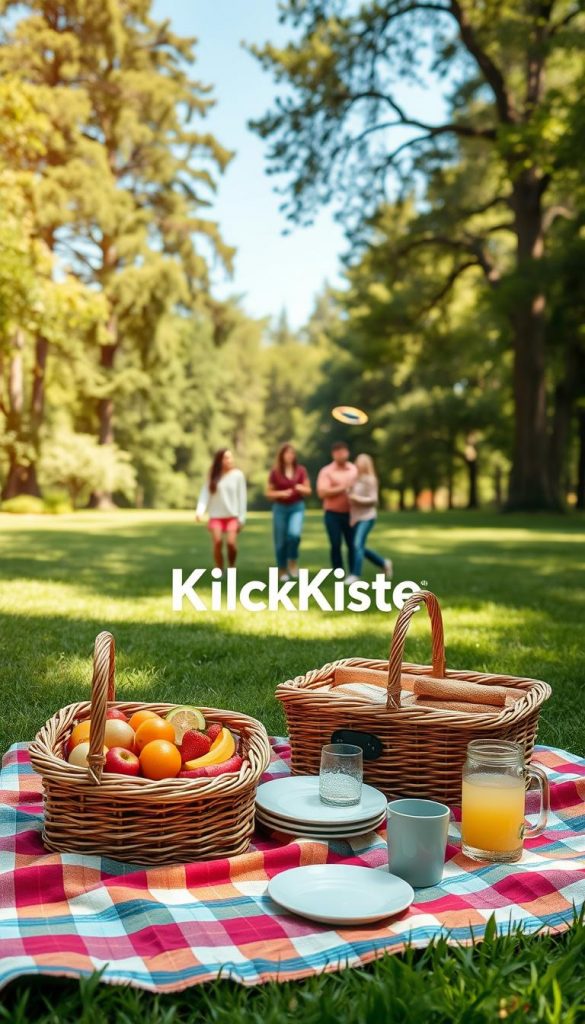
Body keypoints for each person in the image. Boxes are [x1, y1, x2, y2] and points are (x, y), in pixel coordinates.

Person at [266, 443, 312, 582]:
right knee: (280, 541)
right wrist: (281, 493)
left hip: (296, 507)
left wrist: (300, 488)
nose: (290, 455)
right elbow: (269, 493)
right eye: (287, 453)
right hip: (280, 508)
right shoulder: (275, 472)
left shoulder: (301, 470)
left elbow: (308, 490)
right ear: (282, 455)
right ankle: (282, 569)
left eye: (292, 453)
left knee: (294, 535)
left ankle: (292, 560)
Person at [195, 448, 246, 569]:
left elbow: (242, 497)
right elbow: (205, 494)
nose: (229, 460)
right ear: (220, 460)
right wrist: (199, 511)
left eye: (230, 457)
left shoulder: (238, 475)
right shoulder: (213, 475)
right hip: (216, 516)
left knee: (231, 543)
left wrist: (242, 518)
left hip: (232, 516)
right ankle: (219, 568)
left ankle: (231, 567)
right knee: (217, 542)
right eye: (226, 458)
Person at [346, 453, 393, 584]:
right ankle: (383, 563)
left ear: (366, 464)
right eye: (357, 461)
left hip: (367, 516)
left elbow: (374, 500)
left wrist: (357, 498)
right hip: (356, 517)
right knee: (358, 546)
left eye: (361, 462)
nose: (358, 464)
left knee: (357, 545)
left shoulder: (370, 479)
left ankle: (355, 575)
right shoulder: (355, 479)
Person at [316, 441, 358, 574]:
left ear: (348, 453)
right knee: (335, 543)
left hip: (352, 513)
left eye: (343, 452)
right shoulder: (327, 471)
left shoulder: (354, 470)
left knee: (352, 544)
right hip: (332, 514)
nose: (341, 455)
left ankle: (353, 572)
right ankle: (338, 572)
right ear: (333, 454)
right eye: (338, 453)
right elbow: (322, 492)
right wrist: (343, 487)